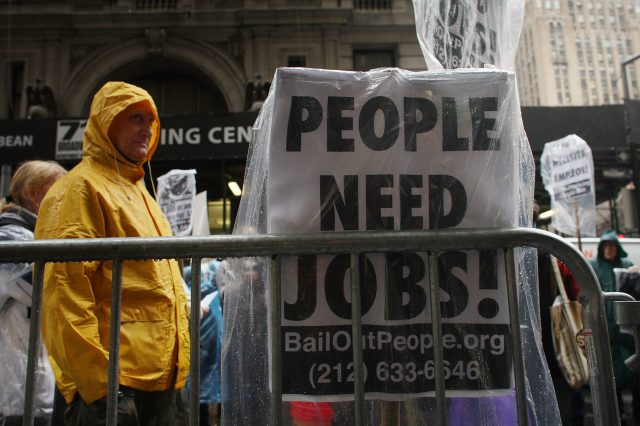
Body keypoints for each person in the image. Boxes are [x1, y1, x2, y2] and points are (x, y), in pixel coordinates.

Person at [35, 81, 191, 426]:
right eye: (135, 118)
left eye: (151, 121)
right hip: (114, 385)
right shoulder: (79, 188)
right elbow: (63, 293)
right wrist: (98, 384)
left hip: (159, 378)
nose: (147, 130)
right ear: (106, 123)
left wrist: (177, 373)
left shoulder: (142, 194)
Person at [0, 160, 66, 426]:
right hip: (13, 395)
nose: (64, 200)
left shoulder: (38, 237)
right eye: (58, 191)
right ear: (32, 193)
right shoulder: (11, 238)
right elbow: (49, 289)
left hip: (34, 391)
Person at [590, 231, 639, 424]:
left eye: (612, 246)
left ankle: (635, 415)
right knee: (610, 375)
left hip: (626, 331)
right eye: (606, 246)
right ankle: (616, 416)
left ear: (617, 248)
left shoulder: (627, 266)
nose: (609, 249)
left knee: (634, 374)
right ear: (602, 248)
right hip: (606, 329)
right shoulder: (594, 267)